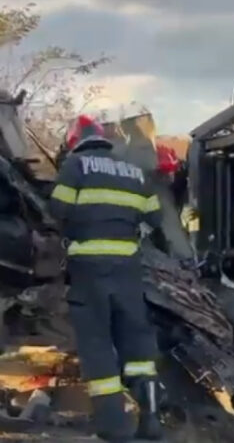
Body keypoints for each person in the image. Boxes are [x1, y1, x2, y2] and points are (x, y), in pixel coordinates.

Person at [49, 114, 164, 442]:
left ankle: (114, 425)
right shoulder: (134, 171)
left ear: (75, 142)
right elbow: (155, 218)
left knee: (97, 342)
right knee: (137, 340)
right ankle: (151, 419)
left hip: (89, 268)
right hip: (127, 268)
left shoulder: (75, 166)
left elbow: (57, 209)